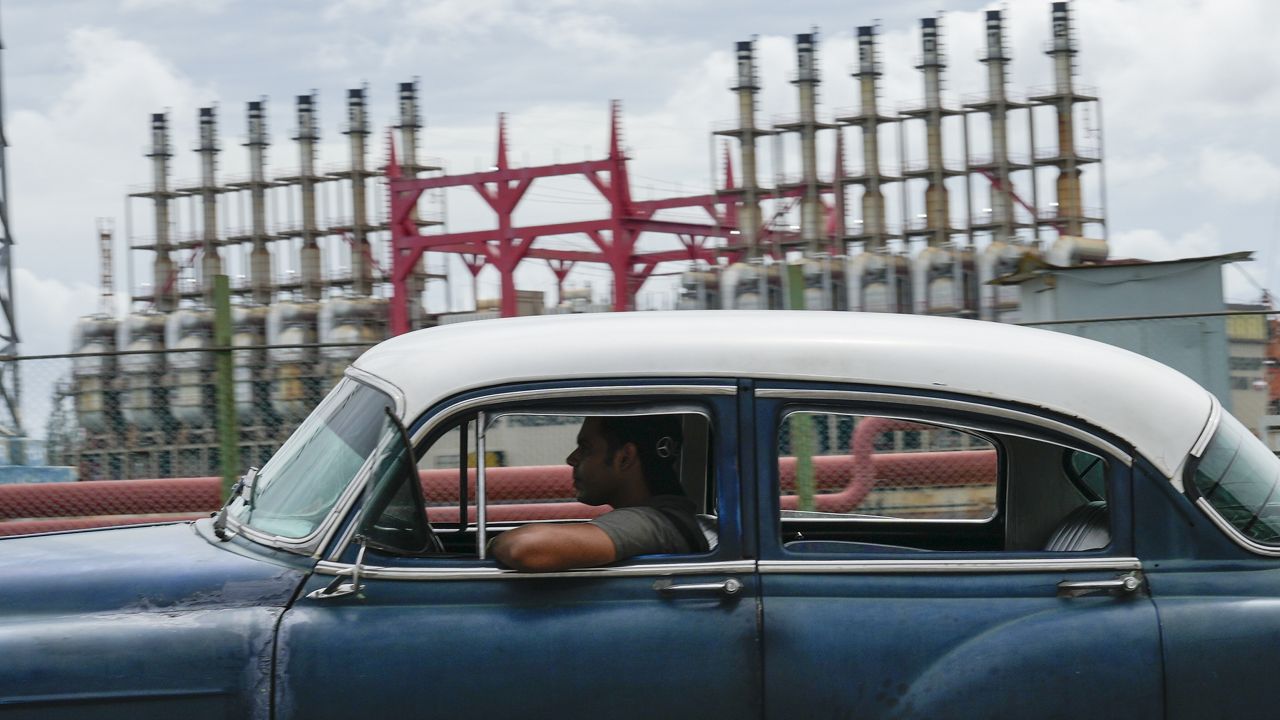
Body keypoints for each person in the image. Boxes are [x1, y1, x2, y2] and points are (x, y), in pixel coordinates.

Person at [490, 414, 708, 572]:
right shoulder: (668, 517)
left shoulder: (653, 523)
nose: (571, 459)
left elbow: (527, 547)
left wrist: (492, 544)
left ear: (624, 457)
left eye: (586, 448)